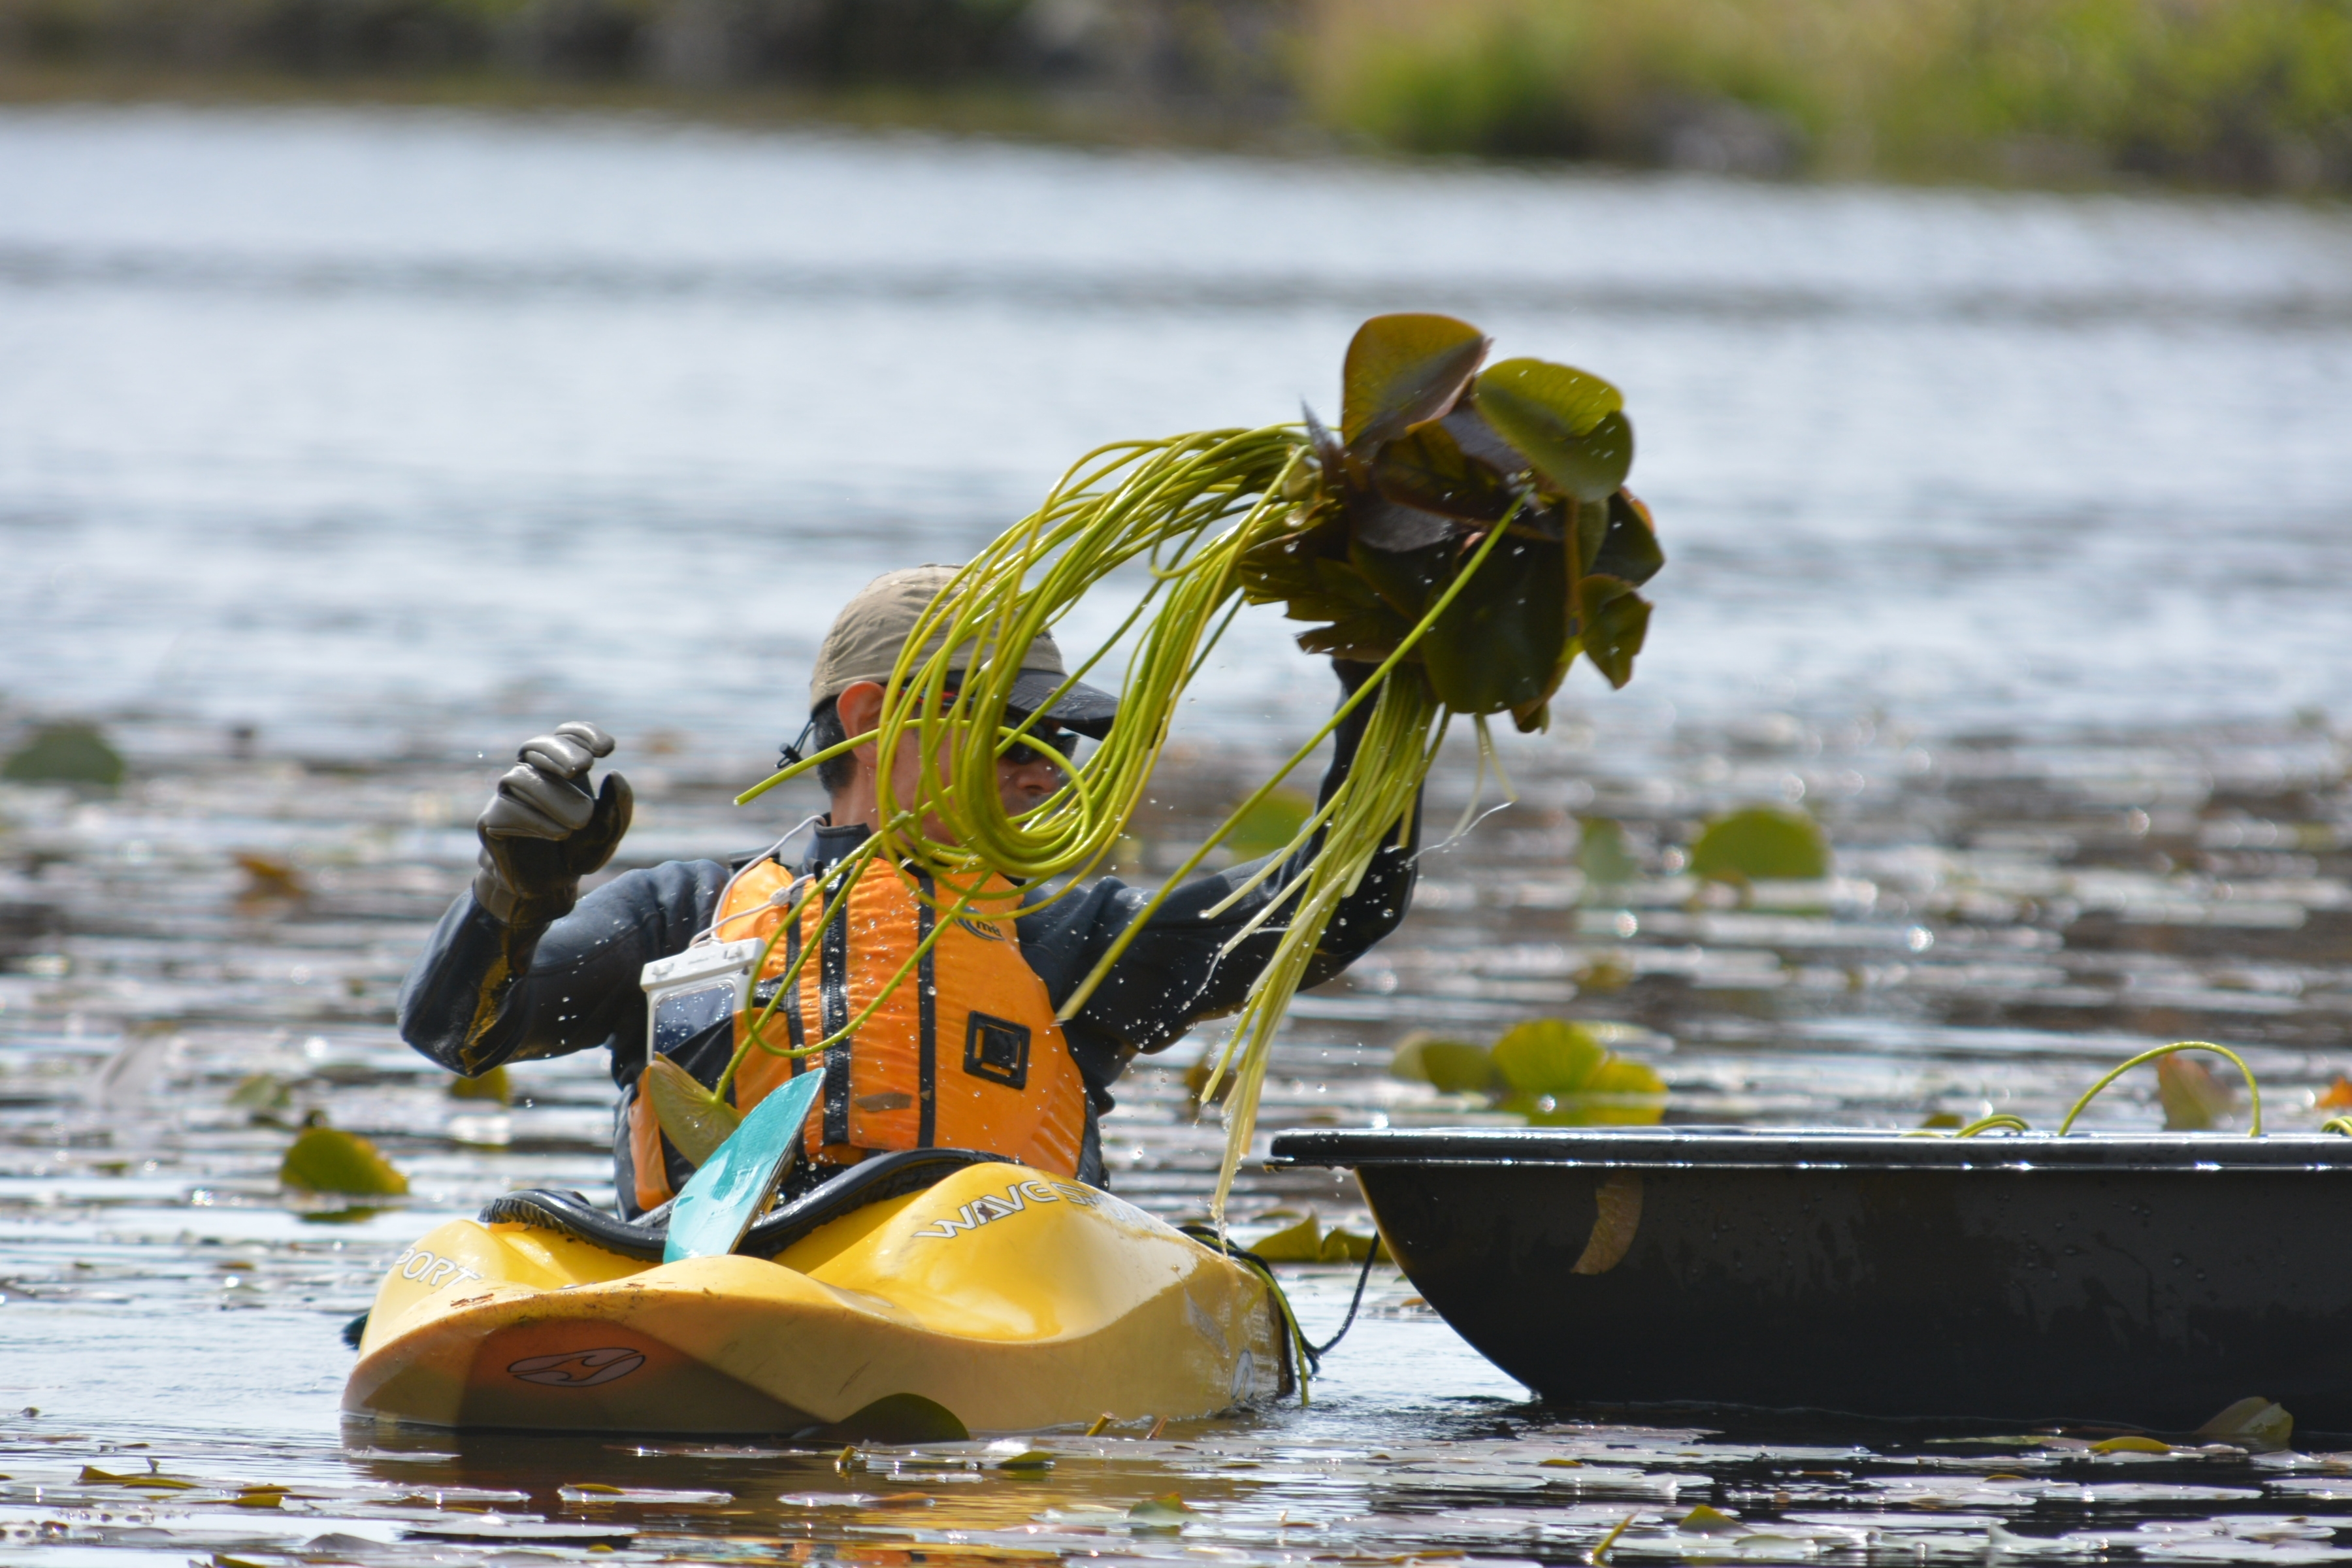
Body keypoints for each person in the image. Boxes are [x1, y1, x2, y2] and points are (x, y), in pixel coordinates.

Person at [398, 565, 1419, 1215]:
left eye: (1059, 737)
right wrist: (512, 894)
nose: (1045, 766)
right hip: (707, 1296)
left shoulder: (1073, 941)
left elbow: (1349, 892)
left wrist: (1383, 676)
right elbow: (457, 1034)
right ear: (874, 712)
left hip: (976, 1299)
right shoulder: (681, 920)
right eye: (1016, 730)